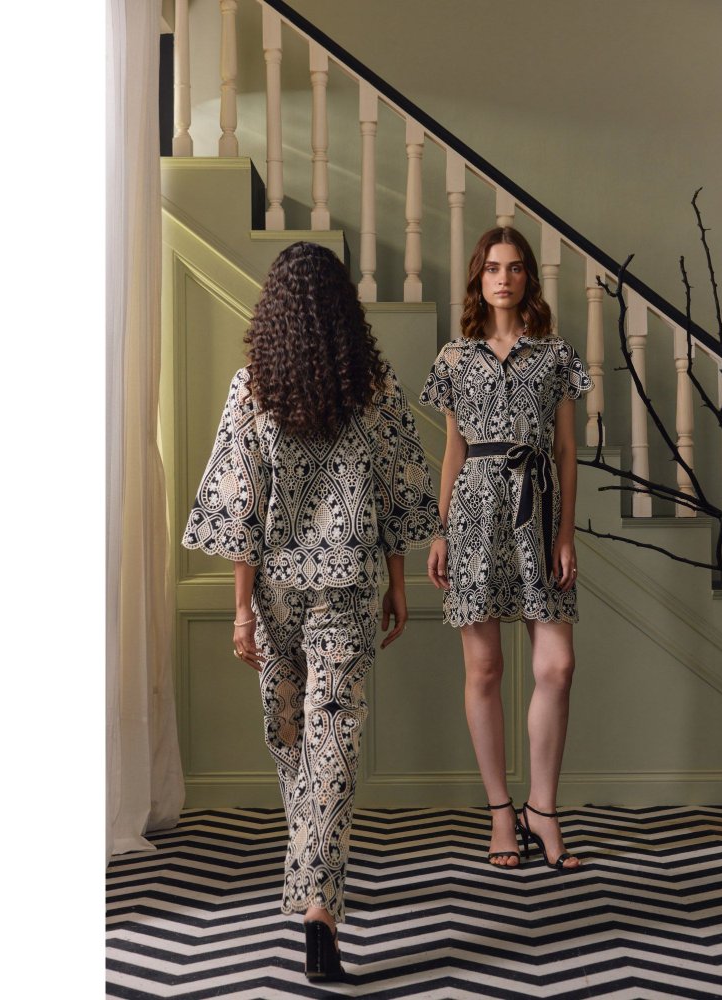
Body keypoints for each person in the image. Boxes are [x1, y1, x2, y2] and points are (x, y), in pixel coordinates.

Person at [183, 242, 439, 981]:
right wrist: (397, 581)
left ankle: (314, 891)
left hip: (276, 592)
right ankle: (319, 896)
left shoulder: (252, 388)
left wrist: (240, 610)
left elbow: (241, 504)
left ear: (276, 310)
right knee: (333, 737)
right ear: (344, 309)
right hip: (348, 585)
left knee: (291, 733)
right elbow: (398, 491)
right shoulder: (372, 387)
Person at [420, 227, 593, 873]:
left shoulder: (556, 356)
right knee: (485, 669)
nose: (503, 278)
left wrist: (565, 533)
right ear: (479, 277)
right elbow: (453, 450)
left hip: (538, 509)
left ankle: (542, 809)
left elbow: (567, 450)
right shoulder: (453, 358)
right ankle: (500, 811)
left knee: (556, 666)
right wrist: (440, 530)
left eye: (515, 268)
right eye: (493, 268)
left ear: (528, 279)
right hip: (473, 514)